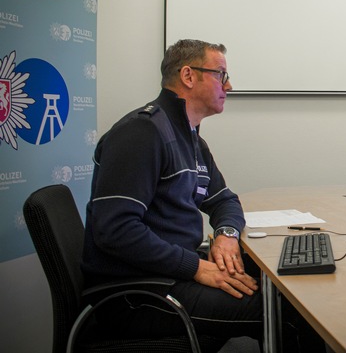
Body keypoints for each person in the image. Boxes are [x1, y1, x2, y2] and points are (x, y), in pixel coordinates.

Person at [81, 40, 264, 346]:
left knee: (277, 288)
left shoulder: (189, 138)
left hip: (169, 275)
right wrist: (195, 267)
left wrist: (227, 234)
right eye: (220, 75)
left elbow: (224, 200)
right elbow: (115, 230)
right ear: (189, 76)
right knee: (285, 309)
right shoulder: (140, 135)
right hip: (135, 295)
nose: (228, 86)